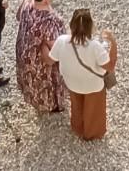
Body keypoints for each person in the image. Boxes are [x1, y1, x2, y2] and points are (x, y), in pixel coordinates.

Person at [50, 9, 116, 141]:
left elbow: (52, 59)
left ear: (71, 25)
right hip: (93, 85)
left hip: (72, 83)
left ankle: (78, 128)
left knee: (76, 106)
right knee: (93, 109)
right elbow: (110, 66)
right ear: (90, 26)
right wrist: (113, 43)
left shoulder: (61, 41)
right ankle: (91, 133)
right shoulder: (95, 46)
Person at [15, 0, 67, 113]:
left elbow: (18, 16)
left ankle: (35, 101)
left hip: (23, 51)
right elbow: (55, 49)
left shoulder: (27, 3)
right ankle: (50, 105)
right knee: (45, 82)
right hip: (39, 60)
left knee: (32, 81)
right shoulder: (50, 20)